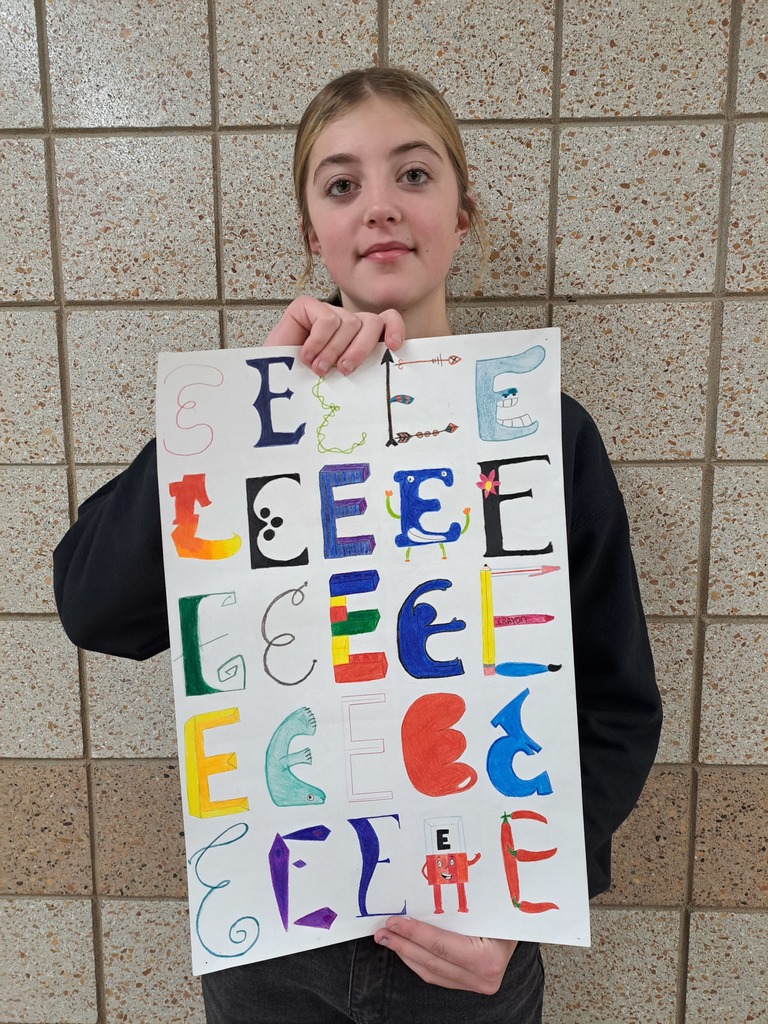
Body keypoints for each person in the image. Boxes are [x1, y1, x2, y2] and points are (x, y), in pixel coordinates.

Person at [53, 67, 662, 1024]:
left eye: (413, 176)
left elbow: (617, 706)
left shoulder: (543, 433)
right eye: (341, 186)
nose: (378, 206)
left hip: (468, 950)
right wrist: (243, 402)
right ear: (313, 233)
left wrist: (531, 896)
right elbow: (93, 607)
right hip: (273, 953)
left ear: (464, 215)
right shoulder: (245, 426)